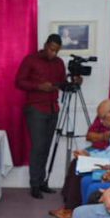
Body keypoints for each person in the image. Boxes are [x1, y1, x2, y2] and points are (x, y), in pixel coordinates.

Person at [15, 34, 70, 198]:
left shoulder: (59, 63)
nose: (54, 53)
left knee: (46, 147)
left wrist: (73, 82)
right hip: (36, 109)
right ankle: (34, 185)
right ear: (46, 45)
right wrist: (39, 86)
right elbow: (19, 81)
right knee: (38, 147)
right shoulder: (31, 60)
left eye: (57, 51)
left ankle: (42, 182)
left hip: (53, 109)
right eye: (52, 49)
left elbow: (61, 83)